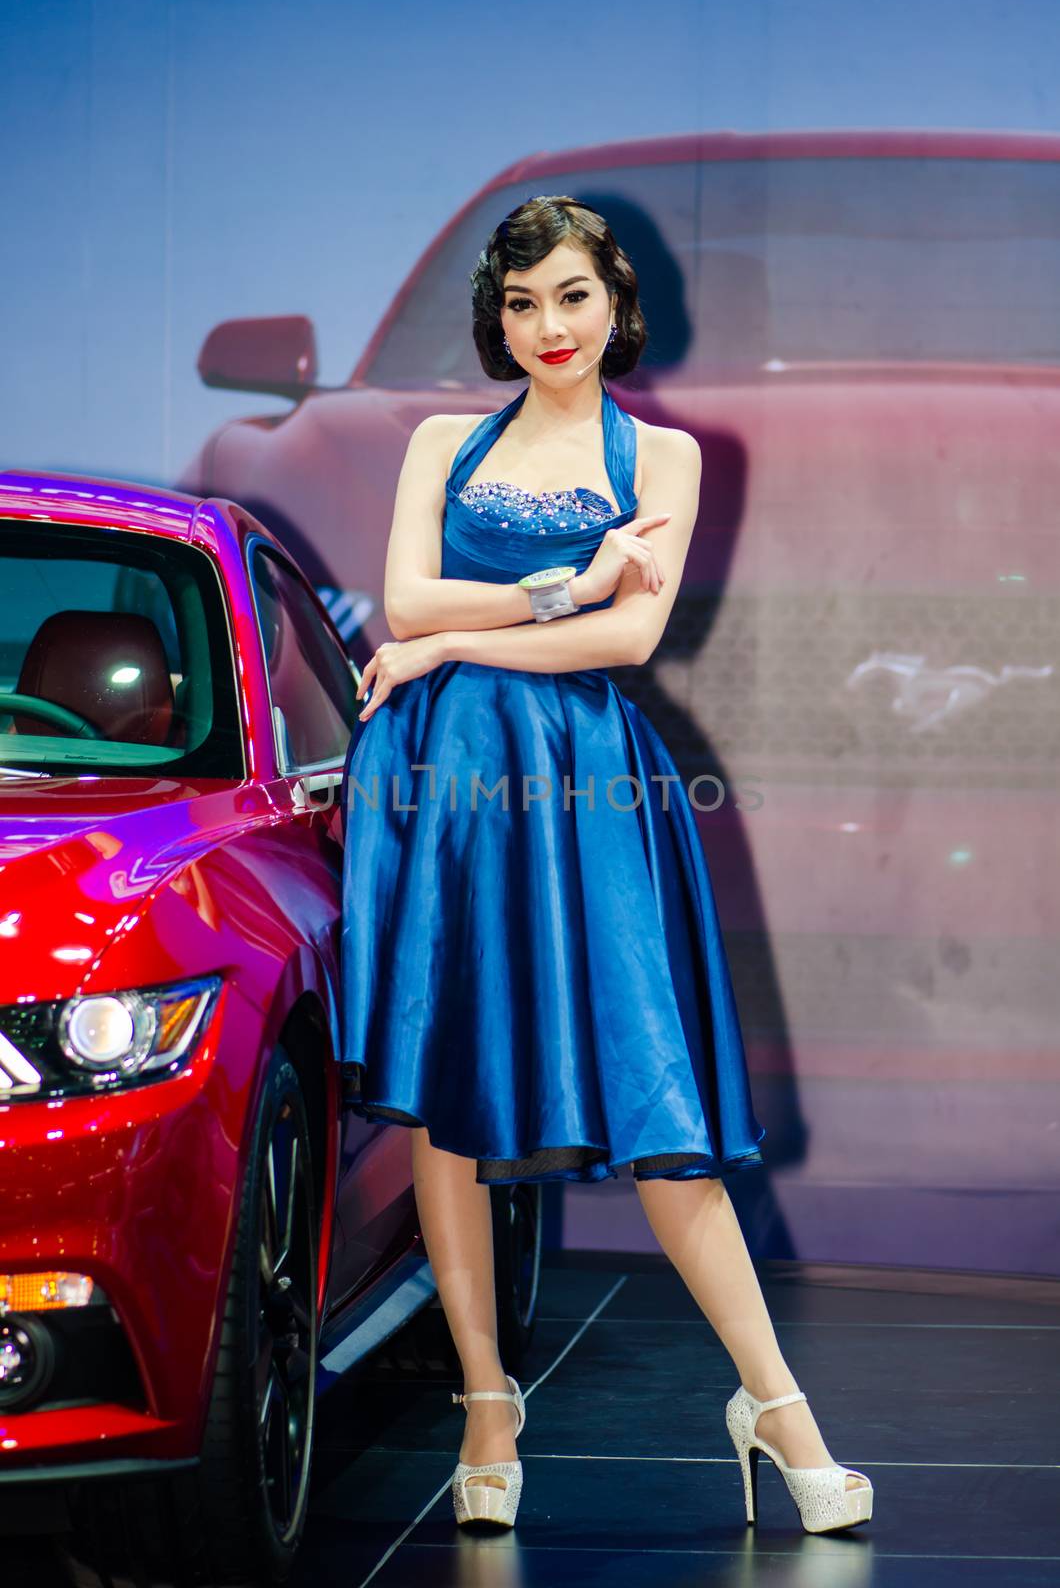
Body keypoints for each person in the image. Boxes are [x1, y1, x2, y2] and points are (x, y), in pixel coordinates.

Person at [339, 194, 872, 1534]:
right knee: (451, 1099)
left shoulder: (667, 459)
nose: (548, 328)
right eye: (522, 304)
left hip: (587, 792)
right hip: (447, 790)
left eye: (570, 297)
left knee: (655, 1100)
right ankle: (486, 1404)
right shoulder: (441, 443)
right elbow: (404, 602)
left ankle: (776, 1409)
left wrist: (462, 638)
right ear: (497, 316)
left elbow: (627, 648)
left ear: (611, 300)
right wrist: (561, 588)